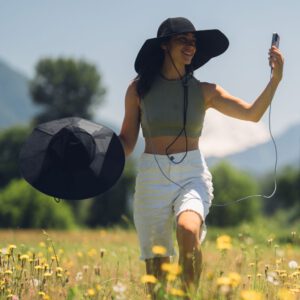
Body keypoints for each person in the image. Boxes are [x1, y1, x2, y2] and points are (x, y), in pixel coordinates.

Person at [119, 17, 284, 298]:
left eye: (193, 42)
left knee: (187, 228)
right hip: (151, 177)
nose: (190, 46)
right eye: (183, 40)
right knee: (156, 268)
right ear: (164, 46)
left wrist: (276, 79)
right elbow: (126, 141)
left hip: (192, 173)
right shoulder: (138, 90)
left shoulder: (205, 91)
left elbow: (252, 113)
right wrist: (97, 157)